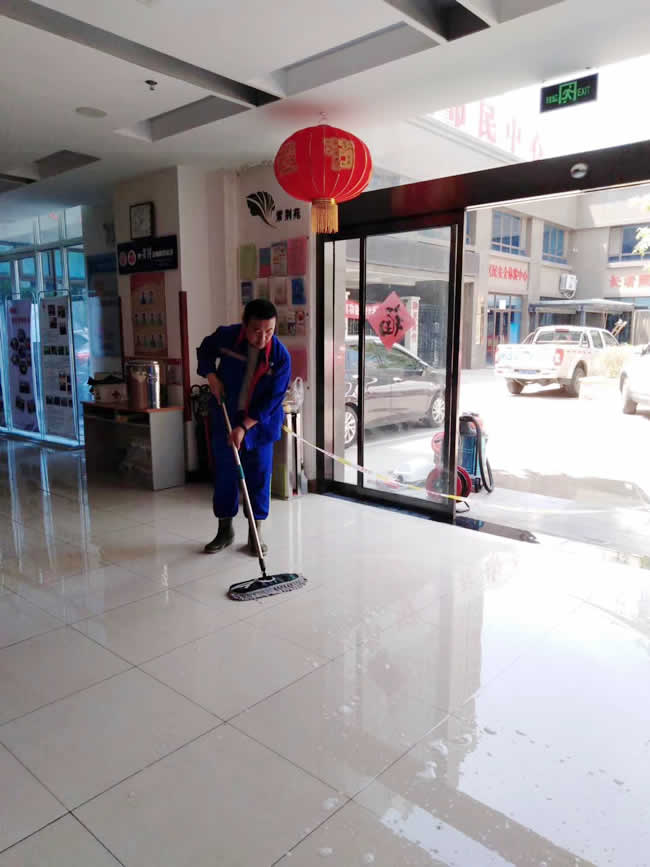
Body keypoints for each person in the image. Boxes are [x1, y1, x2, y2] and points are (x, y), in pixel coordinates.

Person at [196, 299, 291, 555]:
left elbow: (273, 400)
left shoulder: (280, 357)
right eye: (256, 331)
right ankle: (225, 530)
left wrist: (245, 427)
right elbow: (204, 351)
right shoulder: (227, 337)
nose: (263, 338)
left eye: (269, 331)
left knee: (259, 477)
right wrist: (211, 376)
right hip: (225, 417)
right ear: (244, 325)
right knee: (225, 475)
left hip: (260, 426)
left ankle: (255, 533)